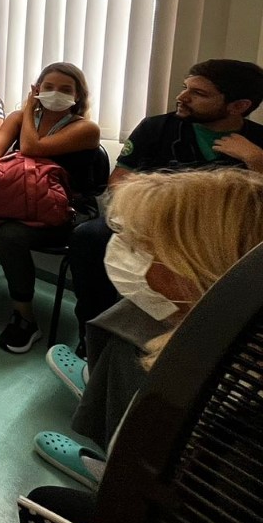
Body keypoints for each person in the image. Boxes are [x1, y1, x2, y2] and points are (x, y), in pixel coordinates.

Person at [26, 169, 263, 523]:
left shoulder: (231, 429)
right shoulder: (227, 336)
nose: (129, 256)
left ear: (198, 267)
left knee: (43, 500)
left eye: (144, 247)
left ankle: (112, 469)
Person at [67, 58, 263, 343]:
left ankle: (195, 342)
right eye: (186, 88)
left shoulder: (257, 144)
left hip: (219, 238)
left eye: (199, 93)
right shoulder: (156, 129)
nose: (182, 97)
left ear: (238, 106)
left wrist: (256, 160)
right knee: (89, 237)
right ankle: (92, 333)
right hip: (149, 223)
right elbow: (119, 183)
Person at [0, 63, 102, 353]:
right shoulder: (18, 118)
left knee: (11, 235)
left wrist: (30, 108)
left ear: (78, 96)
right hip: (17, 202)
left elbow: (32, 148)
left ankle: (25, 317)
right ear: (37, 87)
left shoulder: (85, 128)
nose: (55, 93)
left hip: (62, 212)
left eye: (65, 89)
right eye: (48, 87)